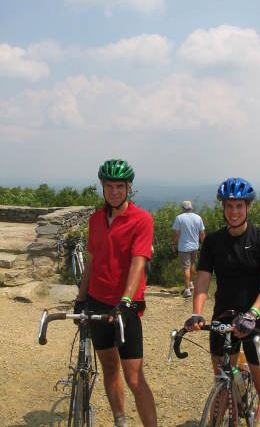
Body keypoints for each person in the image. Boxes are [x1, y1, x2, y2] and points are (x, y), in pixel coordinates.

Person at [185, 177, 260, 427]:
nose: (234, 211)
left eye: (239, 206)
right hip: (224, 320)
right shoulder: (214, 242)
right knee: (222, 384)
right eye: (229, 206)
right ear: (223, 208)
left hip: (256, 321)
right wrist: (197, 312)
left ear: (248, 206)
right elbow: (203, 279)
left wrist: (251, 314)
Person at [74, 158, 157, 427]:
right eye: (109, 186)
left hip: (126, 307)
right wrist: (80, 298)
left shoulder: (142, 219)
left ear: (129, 186)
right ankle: (120, 421)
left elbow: (139, 261)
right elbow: (93, 261)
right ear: (102, 186)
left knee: (134, 378)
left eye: (119, 186)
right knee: (109, 367)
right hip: (97, 301)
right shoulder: (96, 219)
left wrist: (125, 300)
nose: (114, 192)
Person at [172, 201, 205, 297]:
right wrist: (204, 243)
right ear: (191, 208)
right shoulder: (198, 217)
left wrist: (174, 244)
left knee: (186, 268)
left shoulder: (179, 218)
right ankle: (190, 283)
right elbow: (202, 233)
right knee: (192, 264)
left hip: (184, 247)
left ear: (183, 208)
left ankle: (187, 290)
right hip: (195, 246)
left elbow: (176, 233)